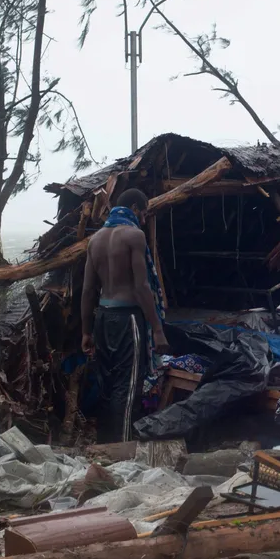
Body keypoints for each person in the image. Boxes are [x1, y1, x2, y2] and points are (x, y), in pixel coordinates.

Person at [80, 188, 169, 442]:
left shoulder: (94, 240)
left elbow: (87, 291)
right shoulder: (134, 236)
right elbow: (142, 287)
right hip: (127, 319)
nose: (144, 220)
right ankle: (122, 449)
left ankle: (104, 443)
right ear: (135, 207)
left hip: (102, 318)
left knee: (107, 384)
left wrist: (86, 331)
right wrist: (158, 329)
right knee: (128, 386)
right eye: (144, 213)